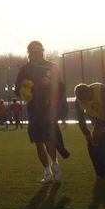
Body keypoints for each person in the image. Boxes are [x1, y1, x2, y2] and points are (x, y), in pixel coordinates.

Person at [15, 41, 66, 183]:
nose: (37, 54)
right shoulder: (24, 69)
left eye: (39, 51)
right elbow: (17, 89)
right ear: (29, 53)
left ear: (43, 51)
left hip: (48, 108)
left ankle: (55, 164)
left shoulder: (52, 66)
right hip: (33, 109)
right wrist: (23, 86)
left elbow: (60, 87)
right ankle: (47, 171)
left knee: (48, 139)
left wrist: (49, 84)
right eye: (34, 52)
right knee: (38, 141)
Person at [74, 82, 105, 178]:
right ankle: (98, 170)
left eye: (86, 99)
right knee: (91, 144)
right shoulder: (78, 101)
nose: (85, 102)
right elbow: (80, 118)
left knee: (104, 143)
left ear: (89, 92)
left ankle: (104, 171)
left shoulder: (100, 89)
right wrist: (86, 133)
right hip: (96, 119)